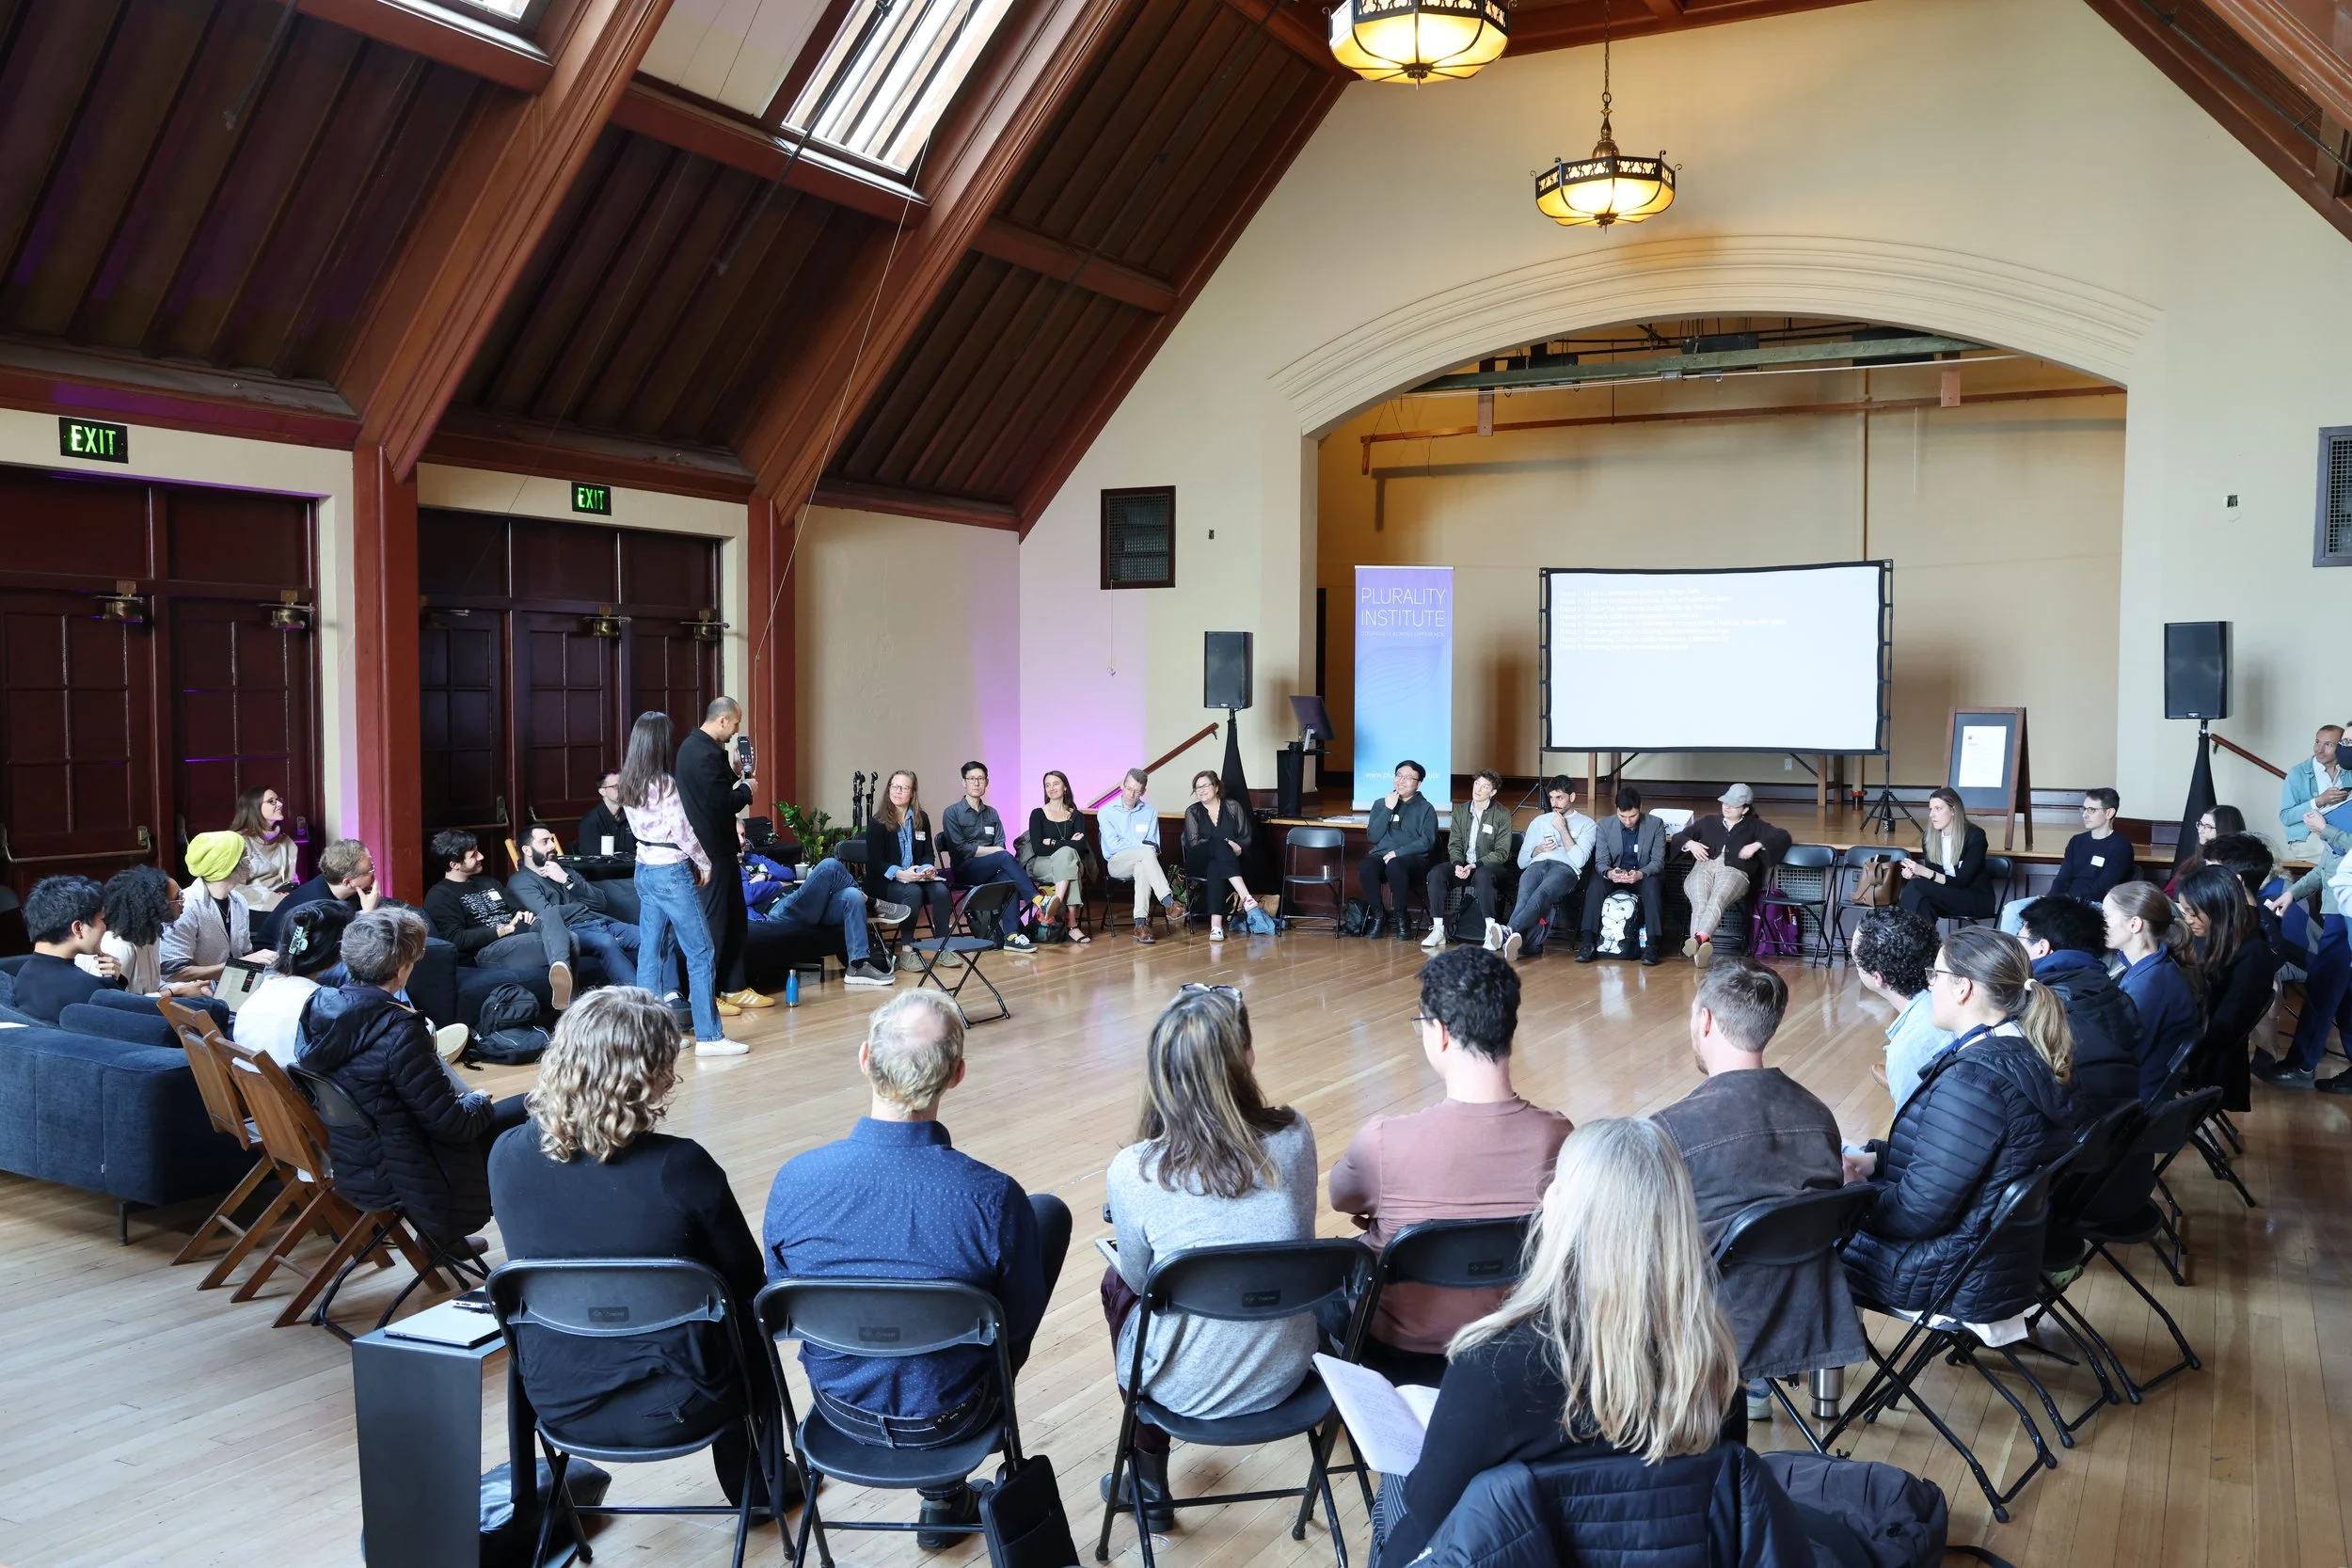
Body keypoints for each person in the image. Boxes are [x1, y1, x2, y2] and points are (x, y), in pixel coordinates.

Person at [1372, 1119, 1771, 1568]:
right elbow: (1722, 1486)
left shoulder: (1495, 1364)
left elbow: (1432, 1512)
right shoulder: (1713, 1357)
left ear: (1562, 1209)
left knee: (1395, 1492)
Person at [764, 990, 1072, 1544]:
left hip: (839, 1410)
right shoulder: (993, 1197)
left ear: (865, 1059)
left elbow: (779, 1300)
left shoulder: (795, 1181)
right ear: (957, 1075)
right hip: (954, 1418)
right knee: (1044, 1218)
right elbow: (1016, 1329)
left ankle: (943, 1494)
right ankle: (944, 1491)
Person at [491, 988, 793, 1516]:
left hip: (556, 1397)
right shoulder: (679, 1167)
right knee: (743, 1316)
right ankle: (759, 1482)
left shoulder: (507, 1154)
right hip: (681, 1405)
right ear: (646, 1077)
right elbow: (749, 1285)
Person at [1103, 986, 1317, 1529]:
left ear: (1159, 1070)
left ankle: (1148, 1478)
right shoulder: (1295, 1134)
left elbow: (1137, 1278)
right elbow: (1300, 1239)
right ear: (1247, 1058)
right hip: (1290, 1375)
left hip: (1181, 1388)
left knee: (1115, 1282)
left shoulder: (1134, 1169)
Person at [1327, 948, 1570, 1375]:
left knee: (1328, 1274)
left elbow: (1342, 1199)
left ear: (1439, 1033)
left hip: (1401, 1352)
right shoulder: (1559, 1136)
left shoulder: (1383, 1141)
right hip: (1515, 1347)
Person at [1651, 958, 1865, 1420]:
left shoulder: (1672, 1129)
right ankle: (1762, 1388)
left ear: (1704, 1020)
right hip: (1803, 1314)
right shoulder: (1818, 1116)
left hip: (1707, 1334)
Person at [1839, 928, 2076, 1324]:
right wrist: (1877, 1161)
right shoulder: (2033, 1049)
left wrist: (1850, 1200)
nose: (1929, 984)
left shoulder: (1975, 1081)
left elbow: (1918, 1212)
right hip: (1994, 1260)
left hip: (1945, 1274)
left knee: (1794, 1238)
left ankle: (1818, 1381)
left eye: (1935, 975)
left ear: (1963, 988)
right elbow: (1972, 1163)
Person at [303, 907, 528, 1244]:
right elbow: (454, 1125)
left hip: (359, 1160)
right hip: (415, 1171)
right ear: (403, 969)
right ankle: (539, 1233)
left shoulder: (320, 1007)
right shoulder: (399, 1030)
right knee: (536, 1106)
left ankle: (442, 1243)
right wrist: (478, 1100)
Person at [619, 710, 735, 1055]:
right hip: (671, 869)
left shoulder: (628, 782)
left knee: (650, 953)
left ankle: (649, 1038)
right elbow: (683, 831)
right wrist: (704, 861)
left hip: (644, 870)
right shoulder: (663, 783)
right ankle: (710, 1037)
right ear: (659, 742)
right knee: (701, 952)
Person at [2013, 896, 2141, 1125]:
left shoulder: (2042, 1000)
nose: (2015, 946)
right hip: (2117, 1129)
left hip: (2072, 1135)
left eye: (2019, 938)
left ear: (2042, 947)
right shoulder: (2107, 987)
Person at [678, 696, 768, 1011]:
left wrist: (733, 771)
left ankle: (734, 986)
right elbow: (720, 804)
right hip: (710, 851)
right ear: (722, 721)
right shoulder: (698, 752)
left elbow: (714, 786)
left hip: (723, 848)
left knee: (735, 918)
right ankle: (707, 994)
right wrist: (747, 789)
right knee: (715, 921)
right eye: (735, 724)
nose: (736, 730)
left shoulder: (705, 749)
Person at [421, 829, 576, 1010]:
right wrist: (503, 930)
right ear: (455, 864)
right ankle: (570, 1003)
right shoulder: (440, 896)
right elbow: (456, 938)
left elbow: (516, 909)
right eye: (473, 855)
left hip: (519, 935)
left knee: (551, 914)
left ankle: (563, 986)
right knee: (571, 940)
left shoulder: (489, 882)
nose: (481, 856)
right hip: (488, 951)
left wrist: (521, 914)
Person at [2255, 802, 2352, 1088]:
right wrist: (2293, 894)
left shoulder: (2336, 819)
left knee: (2324, 986)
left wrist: (2327, 830)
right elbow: (2327, 867)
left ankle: (2301, 1065)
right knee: (2343, 992)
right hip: (2338, 911)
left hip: (2345, 913)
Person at [2175, 863, 2281, 1107]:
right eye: (2185, 912)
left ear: (2217, 908)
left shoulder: (2251, 955)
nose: (2187, 920)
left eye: (2193, 912)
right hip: (2203, 1046)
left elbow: (2223, 1028)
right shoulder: (2228, 938)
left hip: (2206, 1060)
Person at [742, 821, 896, 986]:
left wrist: (764, 877)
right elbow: (748, 895)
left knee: (852, 896)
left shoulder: (755, 858)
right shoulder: (731, 866)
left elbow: (788, 873)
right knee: (829, 866)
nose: (742, 840)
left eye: (743, 835)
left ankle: (857, 966)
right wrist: (776, 883)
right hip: (777, 910)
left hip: (794, 897)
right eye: (737, 835)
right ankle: (872, 903)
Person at [1667, 783, 1788, 968]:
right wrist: (1691, 843)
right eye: (1725, 802)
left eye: (1733, 805)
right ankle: (1700, 951)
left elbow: (1782, 836)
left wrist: (1756, 845)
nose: (1727, 807)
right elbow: (1679, 837)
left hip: (1735, 871)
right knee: (1700, 903)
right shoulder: (1708, 821)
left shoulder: (1755, 826)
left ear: (1746, 809)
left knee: (1717, 899)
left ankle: (1697, 940)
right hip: (1703, 867)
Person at [509, 824, 643, 990]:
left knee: (656, 938)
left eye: (552, 839)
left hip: (602, 923)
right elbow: (549, 915)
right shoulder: (521, 882)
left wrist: (565, 879)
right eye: (545, 842)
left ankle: (670, 997)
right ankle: (638, 999)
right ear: (527, 850)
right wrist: (581, 906)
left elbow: (601, 903)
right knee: (606, 942)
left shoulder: (565, 871)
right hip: (572, 931)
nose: (552, 845)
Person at [2105, 881, 2201, 1100]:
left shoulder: (2150, 985)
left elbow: (2121, 1056)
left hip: (2134, 1098)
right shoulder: (2155, 969)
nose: (2100, 923)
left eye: (2106, 916)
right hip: (2144, 1087)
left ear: (2134, 924)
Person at [1851, 908, 1950, 1112]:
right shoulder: (1953, 997)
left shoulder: (1909, 1046)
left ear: (1877, 978)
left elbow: (1911, 1132)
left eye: (1856, 963)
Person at [232, 902, 356, 1066]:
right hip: (295, 1089)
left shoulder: (256, 995)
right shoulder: (326, 1006)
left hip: (253, 1088)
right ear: (338, 951)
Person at [940, 761, 1043, 951]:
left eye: (980, 779)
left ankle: (1011, 936)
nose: (976, 783)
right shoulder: (952, 812)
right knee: (1003, 857)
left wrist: (997, 852)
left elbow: (1000, 844)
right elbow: (961, 849)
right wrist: (995, 852)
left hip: (991, 868)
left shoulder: (992, 813)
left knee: (1010, 881)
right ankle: (1037, 900)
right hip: (966, 869)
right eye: (972, 779)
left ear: (986, 782)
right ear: (964, 782)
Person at [1999, 789, 2136, 932]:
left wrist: (2063, 901)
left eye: (2092, 810)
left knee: (2056, 920)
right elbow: (2062, 879)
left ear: (2109, 813)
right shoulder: (2077, 841)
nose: (2084, 815)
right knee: (2012, 910)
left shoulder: (2121, 847)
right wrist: (2051, 899)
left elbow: (2102, 888)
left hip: (2095, 905)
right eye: (2084, 809)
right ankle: (2011, 954)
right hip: (2065, 900)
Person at [865, 769, 955, 961]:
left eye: (904, 787)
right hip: (884, 882)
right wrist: (900, 874)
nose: (897, 791)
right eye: (894, 786)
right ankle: (907, 949)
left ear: (912, 792)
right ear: (888, 789)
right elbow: (875, 861)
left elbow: (927, 853)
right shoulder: (877, 822)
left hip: (915, 878)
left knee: (941, 891)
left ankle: (942, 948)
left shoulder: (921, 818)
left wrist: (927, 869)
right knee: (913, 892)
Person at [1500, 776, 1593, 961]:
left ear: (1572, 797)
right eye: (1552, 798)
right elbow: (1521, 862)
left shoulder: (1587, 824)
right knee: (1524, 898)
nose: (1555, 803)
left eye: (1560, 798)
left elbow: (1579, 860)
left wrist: (1563, 829)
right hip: (1538, 864)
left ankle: (1508, 931)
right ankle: (1524, 945)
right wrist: (1538, 849)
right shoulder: (1539, 821)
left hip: (1565, 869)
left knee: (1540, 895)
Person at [161, 831, 275, 981]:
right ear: (226, 864)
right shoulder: (185, 907)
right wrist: (242, 964)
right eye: (245, 854)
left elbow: (246, 953)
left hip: (234, 986)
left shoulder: (239, 900)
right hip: (199, 994)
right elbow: (175, 974)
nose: (251, 858)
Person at [90, 865, 215, 1002]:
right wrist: (177, 991)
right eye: (177, 896)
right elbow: (119, 1002)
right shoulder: (119, 945)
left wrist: (189, 987)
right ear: (155, 905)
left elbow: (153, 986)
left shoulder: (152, 935)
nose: (183, 901)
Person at [1421, 770, 1514, 951]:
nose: (1478, 789)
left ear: (1492, 792)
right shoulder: (1461, 811)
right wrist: (1457, 864)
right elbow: (1454, 844)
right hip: (1464, 865)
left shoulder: (1502, 814)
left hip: (1490, 867)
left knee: (1483, 875)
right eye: (1477, 783)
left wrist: (1475, 865)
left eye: (1485, 786)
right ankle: (1438, 929)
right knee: (1437, 873)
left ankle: (1490, 932)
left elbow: (1502, 852)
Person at [12, 875, 124, 1022]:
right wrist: (115, 984)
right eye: (102, 920)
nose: (105, 927)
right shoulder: (89, 989)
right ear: (78, 928)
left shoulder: (22, 975)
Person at [1577, 787, 1664, 965]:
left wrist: (1640, 874)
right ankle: (1588, 942)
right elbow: (1600, 861)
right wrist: (1610, 873)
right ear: (1616, 809)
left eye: (1632, 816)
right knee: (1595, 885)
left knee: (1652, 887)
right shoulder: (1604, 826)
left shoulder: (1656, 824)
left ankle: (1652, 946)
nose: (1627, 821)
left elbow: (1658, 861)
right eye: (1622, 816)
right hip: (1616, 875)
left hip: (1643, 874)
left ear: (1640, 808)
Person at [1182, 769, 1266, 942]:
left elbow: (1247, 837)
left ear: (1216, 787)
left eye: (1205, 785)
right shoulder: (1192, 811)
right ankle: (1246, 897)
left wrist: (1236, 847)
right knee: (1219, 844)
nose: (1201, 790)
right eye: (1197, 787)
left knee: (1216, 865)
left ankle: (1216, 928)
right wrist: (1226, 845)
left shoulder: (1232, 807)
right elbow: (1194, 844)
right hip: (1199, 860)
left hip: (1230, 861)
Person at [1099, 768, 1181, 943]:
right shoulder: (1106, 812)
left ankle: (1140, 925)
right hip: (1117, 863)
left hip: (1143, 862)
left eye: (1136, 791)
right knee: (1145, 853)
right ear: (1122, 785)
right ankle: (1168, 902)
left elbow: (1154, 845)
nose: (1131, 794)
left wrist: (1137, 845)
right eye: (1129, 788)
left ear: (1143, 791)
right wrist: (1139, 844)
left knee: (1143, 865)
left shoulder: (1150, 812)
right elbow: (1113, 846)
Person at [1359, 761, 1437, 940]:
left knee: (1395, 864)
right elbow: (1374, 837)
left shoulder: (1426, 808)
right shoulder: (1381, 804)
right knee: (1366, 866)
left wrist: (1399, 853)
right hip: (1383, 855)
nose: (1401, 781)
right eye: (1399, 775)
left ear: (1418, 783)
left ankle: (1402, 917)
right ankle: (1379, 915)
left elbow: (1428, 841)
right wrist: (1388, 808)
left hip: (1412, 860)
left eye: (1408, 777)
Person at [260, 838, 382, 951]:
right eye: (370, 870)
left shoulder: (339, 887)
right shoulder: (317, 909)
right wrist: (368, 914)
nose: (373, 872)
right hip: (276, 959)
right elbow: (351, 950)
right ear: (348, 882)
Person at [1897, 786, 1994, 921]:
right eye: (1931, 809)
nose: (1932, 815)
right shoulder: (1929, 837)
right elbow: (1934, 878)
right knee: (1923, 903)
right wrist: (1916, 875)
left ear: (1953, 810)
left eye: (1938, 808)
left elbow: (1961, 881)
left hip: (1975, 898)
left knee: (1916, 887)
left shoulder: (1975, 836)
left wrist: (1923, 872)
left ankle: (1898, 938)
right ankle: (1921, 941)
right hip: (1947, 895)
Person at [1025, 770, 1091, 943]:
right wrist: (1068, 843)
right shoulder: (1037, 814)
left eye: (1055, 783)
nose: (1051, 788)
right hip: (1043, 863)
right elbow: (1038, 848)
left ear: (1065, 787)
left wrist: (1053, 843)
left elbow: (1081, 847)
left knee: (1068, 857)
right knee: (1070, 862)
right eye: (1047, 785)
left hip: (1069, 862)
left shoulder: (1076, 815)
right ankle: (1072, 926)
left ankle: (1055, 903)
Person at [230, 784, 299, 913]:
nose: (279, 804)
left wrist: (290, 897)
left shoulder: (286, 842)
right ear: (254, 808)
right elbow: (235, 888)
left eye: (279, 800)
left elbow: (292, 881)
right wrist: (275, 899)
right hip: (253, 906)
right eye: (271, 801)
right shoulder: (238, 842)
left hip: (285, 900)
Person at [2280, 723, 2347, 843]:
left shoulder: (2348, 770)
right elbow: (2286, 816)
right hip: (2309, 837)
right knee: (2339, 854)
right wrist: (2318, 801)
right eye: (2317, 742)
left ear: (2341, 746)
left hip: (2342, 832)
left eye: (2328, 744)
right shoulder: (2298, 773)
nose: (2319, 750)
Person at [2164, 803, 2246, 895]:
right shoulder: (2192, 862)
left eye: (2207, 826)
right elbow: (2168, 895)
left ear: (2225, 830)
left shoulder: (2239, 867)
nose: (2200, 830)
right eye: (2200, 824)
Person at [577, 771, 638, 859]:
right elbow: (594, 859)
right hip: (608, 871)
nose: (623, 790)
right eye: (616, 787)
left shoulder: (632, 815)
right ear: (602, 791)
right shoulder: (591, 821)